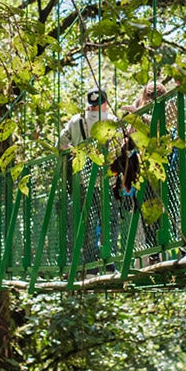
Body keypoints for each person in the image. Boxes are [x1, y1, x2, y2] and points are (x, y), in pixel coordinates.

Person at [59, 88, 118, 275]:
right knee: (110, 220)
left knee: (88, 221)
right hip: (108, 179)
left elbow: (60, 143)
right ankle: (109, 262)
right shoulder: (112, 121)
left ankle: (91, 265)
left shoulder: (76, 121)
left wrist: (74, 150)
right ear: (105, 103)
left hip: (83, 179)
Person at [110, 81, 167, 266]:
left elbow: (143, 134)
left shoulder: (152, 116)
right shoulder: (168, 111)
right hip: (152, 169)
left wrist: (135, 115)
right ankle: (154, 254)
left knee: (148, 211)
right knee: (152, 212)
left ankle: (152, 254)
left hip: (147, 170)